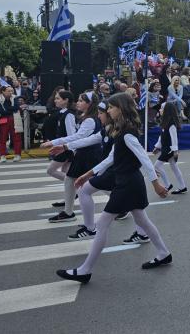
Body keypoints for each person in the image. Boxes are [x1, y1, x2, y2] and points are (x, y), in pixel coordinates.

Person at [56, 93, 172, 284]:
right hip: (128, 181)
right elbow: (111, 158)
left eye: (111, 107)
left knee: (102, 225)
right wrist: (89, 174)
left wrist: (155, 183)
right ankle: (163, 253)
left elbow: (144, 158)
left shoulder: (127, 133)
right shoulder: (120, 130)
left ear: (121, 109)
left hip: (127, 184)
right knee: (142, 219)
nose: (108, 111)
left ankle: (85, 270)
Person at [49, 101, 149, 241]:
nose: (99, 116)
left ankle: (91, 228)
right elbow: (90, 139)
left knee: (86, 191)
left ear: (110, 114)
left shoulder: (121, 131)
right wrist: (65, 146)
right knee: (134, 206)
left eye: (102, 113)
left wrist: (154, 179)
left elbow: (117, 157)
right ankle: (142, 234)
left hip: (118, 171)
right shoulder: (108, 129)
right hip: (114, 171)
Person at [42, 91, 102, 223]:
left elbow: (77, 136)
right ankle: (68, 212)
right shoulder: (86, 117)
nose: (78, 103)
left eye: (81, 101)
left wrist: (55, 143)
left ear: (89, 104)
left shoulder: (90, 119)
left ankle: (70, 213)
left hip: (89, 154)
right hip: (83, 153)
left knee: (99, 182)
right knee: (70, 180)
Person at [44, 90, 76, 207]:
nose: (55, 100)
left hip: (65, 148)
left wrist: (66, 147)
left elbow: (72, 135)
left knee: (51, 170)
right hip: (63, 147)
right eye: (55, 98)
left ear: (66, 100)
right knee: (66, 173)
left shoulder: (69, 115)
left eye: (58, 98)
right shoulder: (62, 113)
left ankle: (77, 188)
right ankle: (69, 197)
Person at [152, 102, 187, 194]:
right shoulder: (164, 122)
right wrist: (157, 147)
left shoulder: (171, 124)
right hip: (165, 148)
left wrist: (175, 150)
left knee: (156, 166)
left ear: (167, 110)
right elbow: (162, 136)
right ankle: (182, 186)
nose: (160, 110)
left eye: (162, 108)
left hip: (169, 149)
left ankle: (168, 185)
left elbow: (174, 138)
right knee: (174, 167)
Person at [0, 85, 25, 163]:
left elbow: (16, 107)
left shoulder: (15, 97)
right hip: (2, 120)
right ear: (3, 91)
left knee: (17, 137)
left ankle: (17, 155)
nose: (11, 92)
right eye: (9, 91)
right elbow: (1, 111)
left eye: (11, 91)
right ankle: (2, 155)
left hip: (14, 119)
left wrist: (7, 109)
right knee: (1, 138)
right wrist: (11, 109)